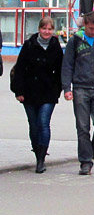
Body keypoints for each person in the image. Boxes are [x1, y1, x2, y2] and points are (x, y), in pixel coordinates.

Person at [11, 18, 63, 173]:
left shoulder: (56, 47)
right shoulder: (29, 45)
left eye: (50, 29)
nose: (47, 32)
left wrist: (58, 90)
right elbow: (19, 69)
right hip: (29, 92)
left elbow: (61, 71)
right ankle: (37, 153)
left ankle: (41, 159)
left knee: (43, 122)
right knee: (33, 126)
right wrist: (19, 91)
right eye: (44, 29)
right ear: (39, 29)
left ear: (53, 31)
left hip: (48, 92)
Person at [62, 11, 94, 176]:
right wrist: (67, 88)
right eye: (90, 28)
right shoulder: (75, 41)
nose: (93, 31)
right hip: (81, 88)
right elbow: (67, 65)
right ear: (84, 26)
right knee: (82, 127)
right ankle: (85, 162)